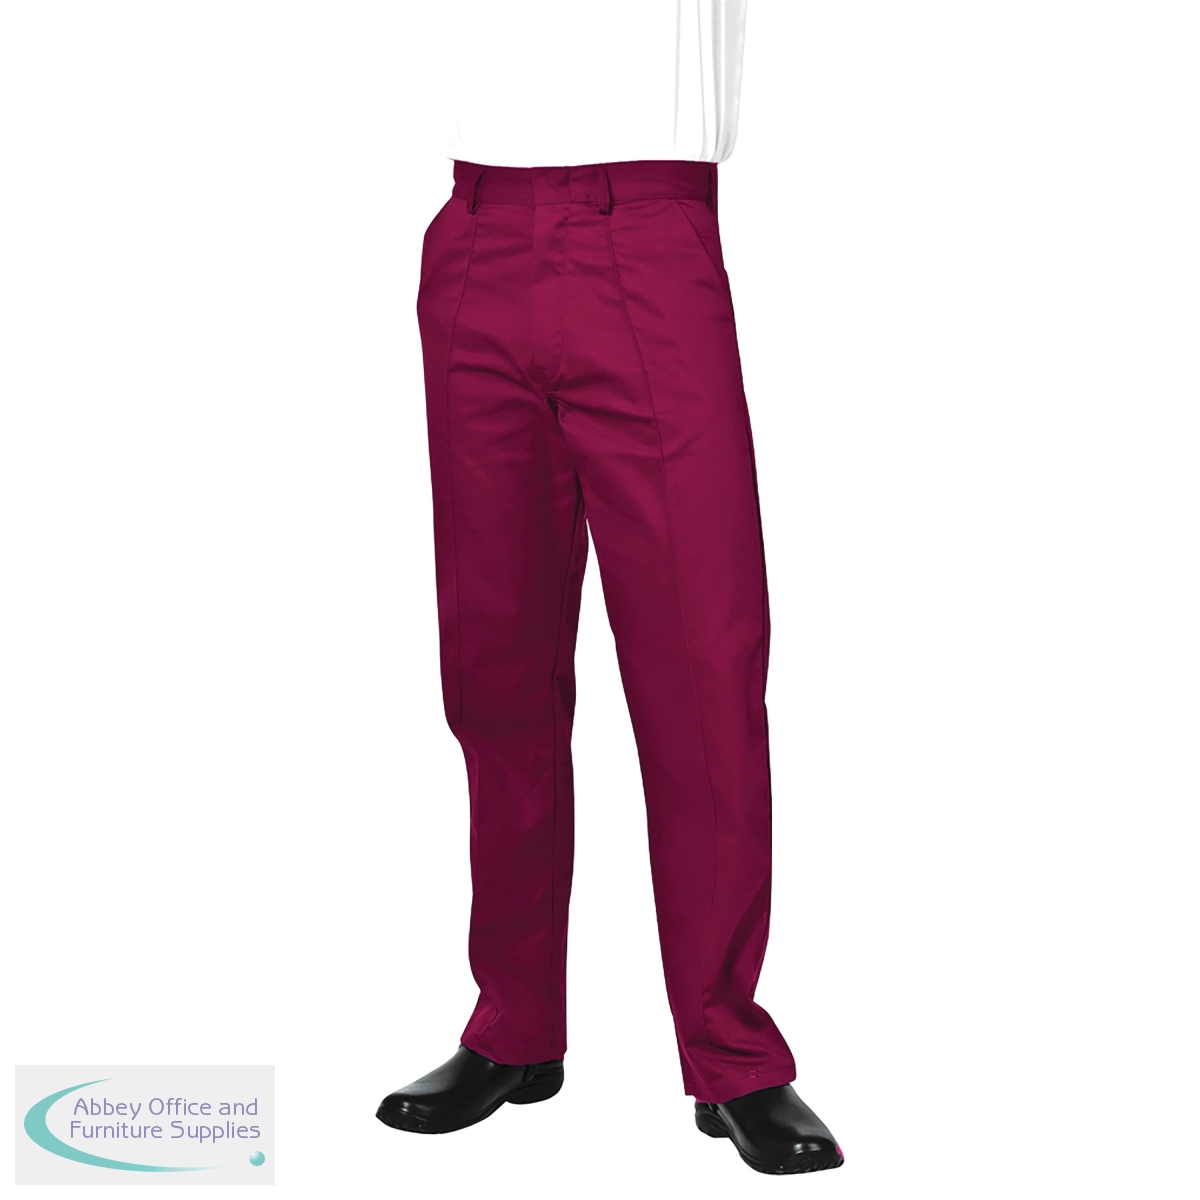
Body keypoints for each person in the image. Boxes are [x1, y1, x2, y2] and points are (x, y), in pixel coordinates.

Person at [376, 1, 843, 1175]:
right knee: (495, 667)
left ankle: (730, 1053)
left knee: (702, 669)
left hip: (648, 230)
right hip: (477, 229)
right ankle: (515, 1027)